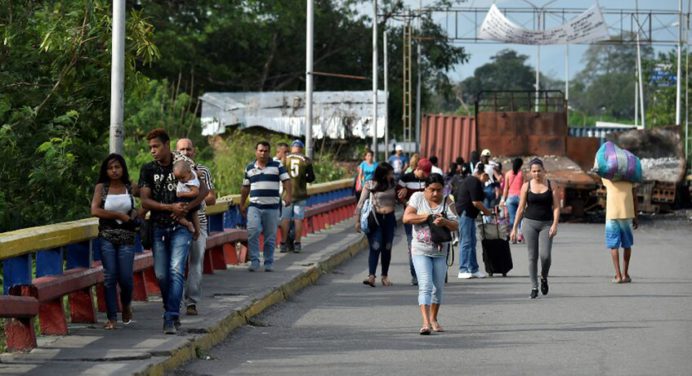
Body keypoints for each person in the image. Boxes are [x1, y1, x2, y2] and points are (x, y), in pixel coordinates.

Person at [139, 128, 208, 334]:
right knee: (161, 274)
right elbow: (144, 200)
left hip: (181, 227)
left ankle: (171, 316)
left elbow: (203, 190)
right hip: (159, 226)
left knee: (176, 269)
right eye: (150, 147)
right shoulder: (148, 170)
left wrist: (187, 207)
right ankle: (170, 306)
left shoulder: (183, 165)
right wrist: (170, 207)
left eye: (156, 146)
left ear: (167, 145)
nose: (153, 151)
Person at [403, 173, 458, 335]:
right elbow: (407, 218)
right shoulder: (417, 198)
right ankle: (425, 322)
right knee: (426, 285)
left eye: (439, 190)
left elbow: (456, 224)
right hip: (420, 250)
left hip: (441, 252)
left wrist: (445, 222)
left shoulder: (448, 201)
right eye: (432, 190)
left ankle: (434, 318)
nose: (435, 194)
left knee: (438, 287)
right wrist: (426, 217)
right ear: (425, 189)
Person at [91, 154, 140, 330]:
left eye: (117, 167)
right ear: (106, 170)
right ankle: (112, 318)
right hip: (107, 237)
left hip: (127, 237)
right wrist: (119, 215)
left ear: (123, 168)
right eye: (110, 168)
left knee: (126, 278)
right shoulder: (101, 188)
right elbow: (95, 210)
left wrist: (136, 214)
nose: (114, 171)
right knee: (110, 276)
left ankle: (126, 305)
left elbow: (148, 198)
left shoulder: (130, 186)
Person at [510, 158, 560, 299]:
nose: (537, 174)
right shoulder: (526, 186)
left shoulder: (552, 185)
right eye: (534, 171)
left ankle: (544, 277)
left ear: (544, 171)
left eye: (539, 171)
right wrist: (514, 228)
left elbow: (556, 207)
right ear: (530, 172)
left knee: (545, 256)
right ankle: (534, 286)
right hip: (529, 223)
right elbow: (520, 209)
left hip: (546, 224)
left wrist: (555, 224)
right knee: (532, 257)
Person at [176, 138, 216, 316]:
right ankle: (174, 303)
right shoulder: (172, 171)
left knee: (196, 263)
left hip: (198, 221)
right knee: (176, 265)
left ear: (194, 151)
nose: (186, 152)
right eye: (182, 150)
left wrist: (194, 194)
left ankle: (191, 302)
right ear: (176, 152)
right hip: (176, 222)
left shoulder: (203, 170)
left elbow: (212, 198)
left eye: (189, 149)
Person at [240, 141, 292, 272]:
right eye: (260, 150)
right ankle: (255, 261)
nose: (263, 153)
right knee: (253, 232)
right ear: (256, 151)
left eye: (266, 151)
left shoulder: (277, 165)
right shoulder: (250, 168)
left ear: (269, 152)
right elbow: (245, 187)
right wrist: (241, 204)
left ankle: (268, 262)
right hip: (254, 206)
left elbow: (286, 180)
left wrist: (289, 195)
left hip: (272, 207)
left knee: (270, 237)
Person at [355, 162, 397, 287]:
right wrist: (357, 221)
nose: (392, 175)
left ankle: (385, 276)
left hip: (389, 219)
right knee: (376, 246)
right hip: (375, 219)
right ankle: (371, 276)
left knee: (387, 247)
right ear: (383, 174)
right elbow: (360, 203)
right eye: (390, 173)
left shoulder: (393, 184)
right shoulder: (370, 184)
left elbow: (401, 198)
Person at [397, 158, 433, 286]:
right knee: (412, 246)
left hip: (426, 217)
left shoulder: (428, 180)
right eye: (423, 174)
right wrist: (404, 199)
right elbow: (398, 197)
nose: (425, 177)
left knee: (428, 244)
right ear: (418, 169)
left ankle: (427, 273)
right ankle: (415, 275)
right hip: (411, 218)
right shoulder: (405, 179)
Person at [453, 164, 492, 279]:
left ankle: (473, 268)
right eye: (487, 178)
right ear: (483, 174)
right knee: (466, 241)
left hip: (469, 214)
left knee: (472, 242)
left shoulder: (473, 180)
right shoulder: (474, 181)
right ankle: (463, 269)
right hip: (465, 213)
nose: (487, 181)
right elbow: (476, 202)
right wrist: (486, 211)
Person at [280, 140, 315, 254]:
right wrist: (303, 177)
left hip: (287, 195)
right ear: (301, 148)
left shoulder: (285, 158)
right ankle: (297, 243)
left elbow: (280, 175)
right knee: (298, 219)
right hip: (300, 194)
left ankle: (283, 243)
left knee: (285, 219)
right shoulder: (306, 160)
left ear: (292, 147)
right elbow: (311, 178)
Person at [602, 178, 639, 284]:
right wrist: (636, 217)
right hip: (627, 214)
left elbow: (599, 170)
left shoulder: (608, 177)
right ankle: (625, 274)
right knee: (627, 245)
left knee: (614, 245)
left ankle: (618, 276)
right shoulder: (630, 178)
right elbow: (634, 198)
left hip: (612, 215)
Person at [172, 160, 201, 238]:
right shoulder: (192, 173)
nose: (181, 180)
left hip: (186, 199)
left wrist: (182, 194)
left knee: (177, 216)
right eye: (178, 178)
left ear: (188, 172)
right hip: (192, 200)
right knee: (195, 215)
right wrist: (200, 174)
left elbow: (196, 192)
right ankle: (198, 231)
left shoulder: (190, 183)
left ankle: (188, 224)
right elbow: (200, 173)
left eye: (182, 177)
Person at [500, 158, 524, 243]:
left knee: (512, 218)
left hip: (510, 198)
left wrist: (503, 199)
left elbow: (506, 188)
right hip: (520, 198)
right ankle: (520, 235)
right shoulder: (522, 174)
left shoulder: (508, 174)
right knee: (521, 217)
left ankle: (513, 236)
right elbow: (525, 187)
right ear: (521, 165)